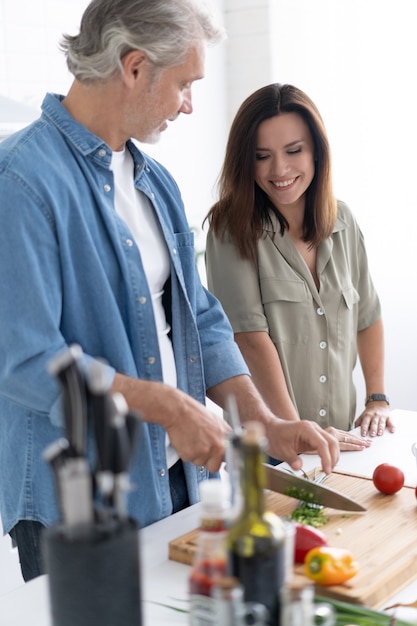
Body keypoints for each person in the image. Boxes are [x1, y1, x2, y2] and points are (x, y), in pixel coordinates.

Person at [0, 6, 339, 582]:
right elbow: (28, 362)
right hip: (82, 506)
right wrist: (171, 406)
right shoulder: (20, 182)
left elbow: (200, 318)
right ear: (134, 68)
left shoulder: (154, 180)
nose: (189, 105)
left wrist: (260, 422)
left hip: (181, 480)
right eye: (184, 84)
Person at [205, 83, 395, 455]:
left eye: (294, 151)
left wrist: (377, 397)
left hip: (340, 442)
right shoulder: (231, 227)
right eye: (262, 156)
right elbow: (249, 340)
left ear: (317, 152)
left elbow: (368, 316)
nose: (279, 169)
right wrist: (294, 430)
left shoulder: (344, 220)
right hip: (272, 446)